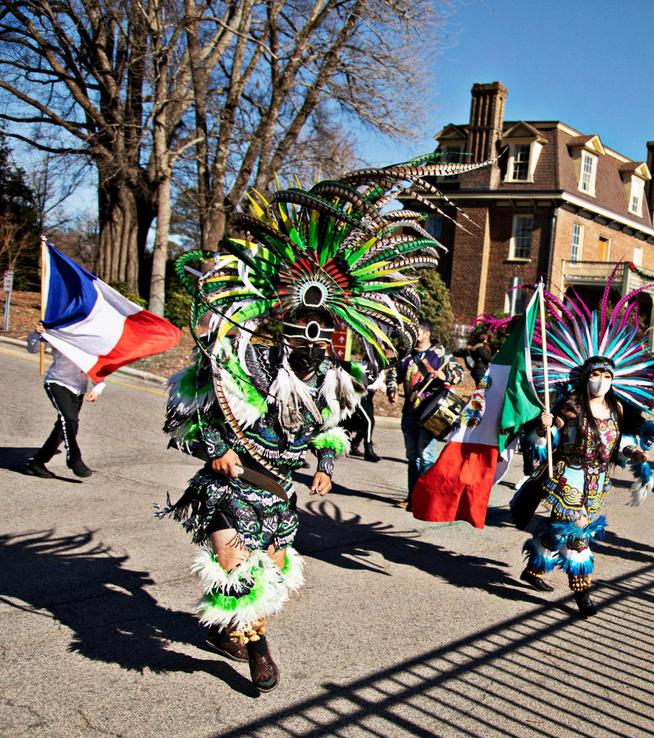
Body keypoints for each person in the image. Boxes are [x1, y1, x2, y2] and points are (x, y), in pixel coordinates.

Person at [158, 158, 471, 691]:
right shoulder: (250, 363)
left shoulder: (331, 380)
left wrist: (325, 463)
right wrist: (216, 448)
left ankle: (230, 634)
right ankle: (259, 651)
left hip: (278, 493)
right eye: (302, 328)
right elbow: (196, 405)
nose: (311, 339)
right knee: (237, 571)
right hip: (232, 485)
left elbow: (328, 426)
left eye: (321, 330)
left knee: (272, 573)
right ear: (284, 324)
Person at [510, 280, 654, 618]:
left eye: (607, 375)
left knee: (559, 529)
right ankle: (583, 592)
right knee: (578, 534)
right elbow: (545, 440)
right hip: (567, 476)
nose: (602, 380)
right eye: (596, 374)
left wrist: (633, 453)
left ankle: (533, 569)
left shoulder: (618, 409)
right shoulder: (570, 407)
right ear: (585, 376)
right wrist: (543, 426)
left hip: (597, 481)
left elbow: (617, 445)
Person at [385, 320, 463, 508]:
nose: (413, 333)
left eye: (417, 330)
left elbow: (459, 373)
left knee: (426, 455)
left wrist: (444, 376)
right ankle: (412, 497)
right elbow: (393, 373)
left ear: (427, 334)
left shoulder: (440, 354)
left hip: (431, 413)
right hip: (410, 412)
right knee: (412, 456)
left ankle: (426, 498)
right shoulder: (406, 355)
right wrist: (392, 389)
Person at [24, 322, 104, 478]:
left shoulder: (91, 342)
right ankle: (74, 458)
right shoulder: (59, 333)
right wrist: (37, 334)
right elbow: (32, 348)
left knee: (63, 428)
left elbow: (98, 368)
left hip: (78, 390)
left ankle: (37, 463)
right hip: (57, 384)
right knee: (69, 420)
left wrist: (97, 388)